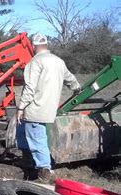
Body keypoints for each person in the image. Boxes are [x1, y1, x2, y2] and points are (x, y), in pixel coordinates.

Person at [16, 33, 80, 180]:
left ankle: (44, 170)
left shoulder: (35, 62)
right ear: (46, 44)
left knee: (37, 137)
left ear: (33, 46)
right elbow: (70, 78)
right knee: (25, 131)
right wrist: (77, 88)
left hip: (35, 108)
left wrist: (21, 108)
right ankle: (29, 160)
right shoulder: (58, 61)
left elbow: (30, 88)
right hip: (49, 109)